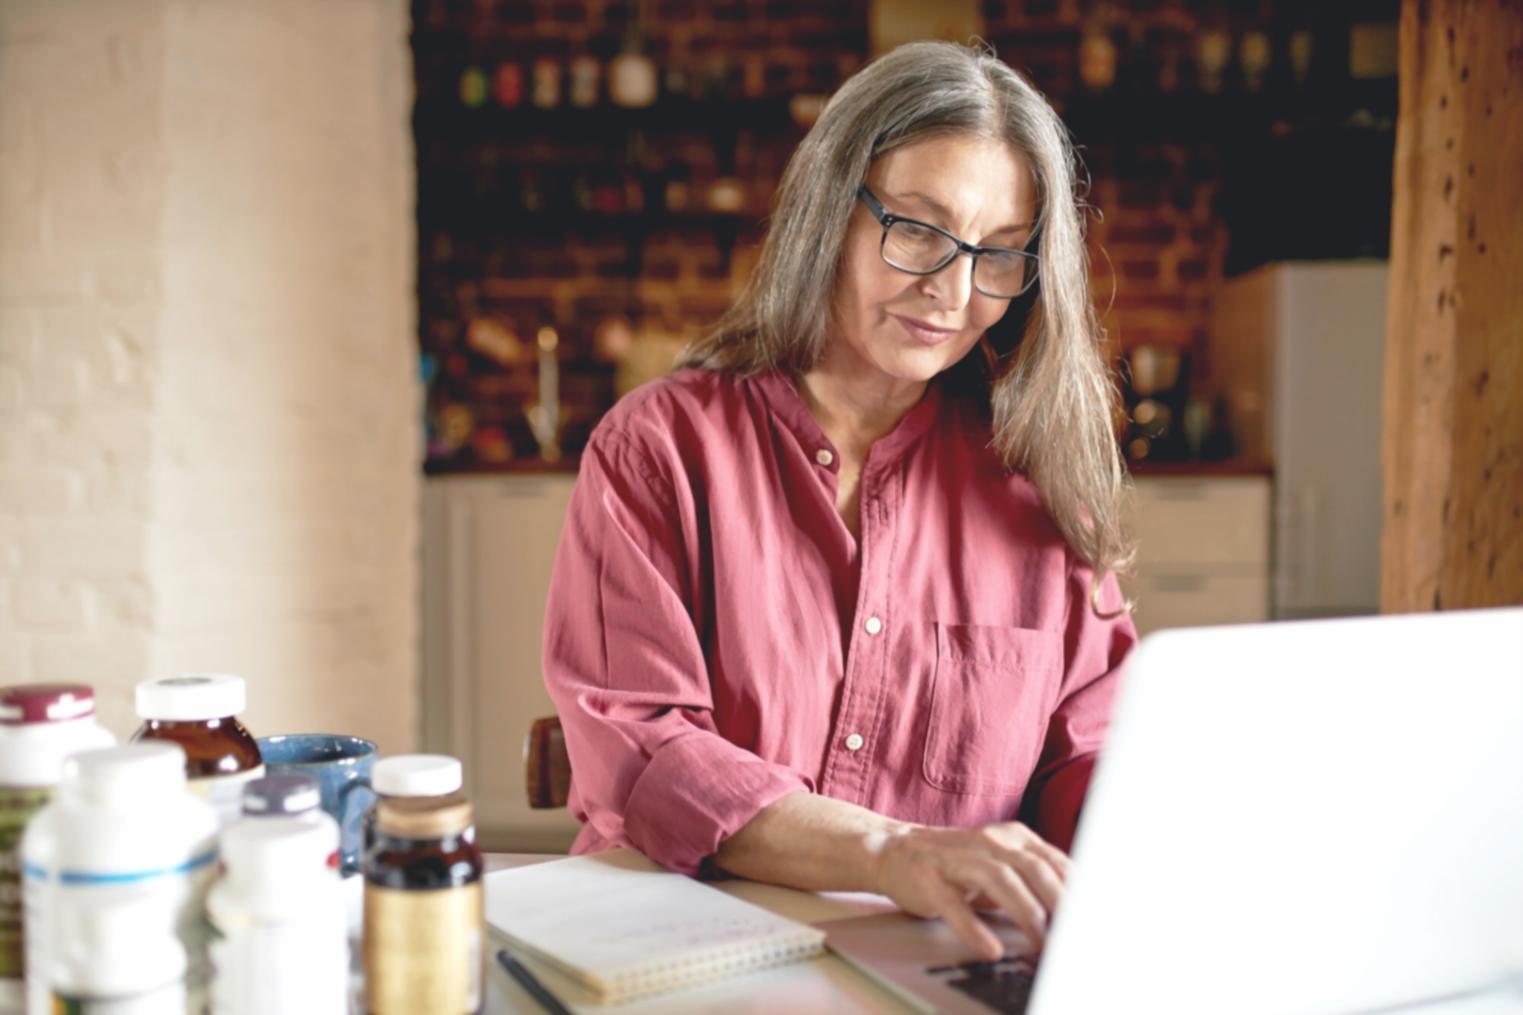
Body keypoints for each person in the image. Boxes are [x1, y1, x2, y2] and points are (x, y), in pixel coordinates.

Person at [542, 39, 1137, 961]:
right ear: (831, 208)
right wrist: (889, 849)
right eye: (917, 229)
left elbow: (1090, 755)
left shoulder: (1039, 491)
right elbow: (641, 746)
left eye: (999, 254)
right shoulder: (659, 449)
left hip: (938, 962)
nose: (951, 288)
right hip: (678, 959)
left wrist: (1152, 826)